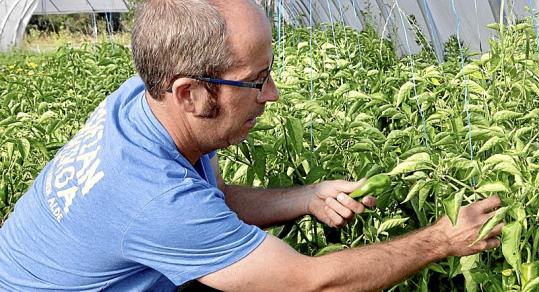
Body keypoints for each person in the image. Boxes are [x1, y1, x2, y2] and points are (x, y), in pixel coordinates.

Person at [0, 0, 504, 290]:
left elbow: (207, 200)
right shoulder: (152, 197)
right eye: (256, 80)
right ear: (190, 93)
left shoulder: (145, 100)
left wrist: (304, 197)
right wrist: (443, 239)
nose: (272, 94)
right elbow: (309, 284)